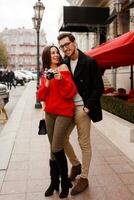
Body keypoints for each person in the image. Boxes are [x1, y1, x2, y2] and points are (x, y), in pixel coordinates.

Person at [57, 33, 104, 195]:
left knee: (84, 143)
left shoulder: (90, 62)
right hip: (68, 108)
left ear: (74, 42)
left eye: (67, 44)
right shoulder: (64, 63)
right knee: (61, 139)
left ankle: (84, 176)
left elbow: (99, 87)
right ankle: (75, 164)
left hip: (83, 109)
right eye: (62, 46)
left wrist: (88, 107)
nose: (65, 48)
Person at [37, 45, 77, 199]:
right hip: (50, 113)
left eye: (56, 52)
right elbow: (41, 96)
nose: (56, 55)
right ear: (47, 56)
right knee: (52, 149)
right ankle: (54, 182)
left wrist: (60, 80)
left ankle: (65, 182)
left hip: (64, 112)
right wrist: (47, 83)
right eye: (52, 53)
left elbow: (70, 92)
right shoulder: (45, 73)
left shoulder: (64, 68)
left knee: (57, 147)